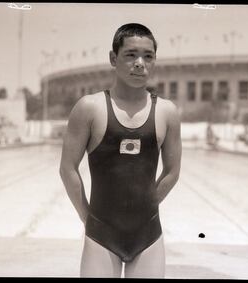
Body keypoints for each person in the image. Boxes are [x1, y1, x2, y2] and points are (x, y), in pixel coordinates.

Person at [60, 23, 182, 278]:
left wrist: (146, 205)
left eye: (148, 56)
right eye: (131, 55)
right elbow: (67, 169)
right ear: (113, 59)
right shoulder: (89, 108)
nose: (140, 63)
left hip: (148, 235)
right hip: (100, 235)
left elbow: (172, 172)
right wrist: (88, 217)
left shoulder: (166, 112)